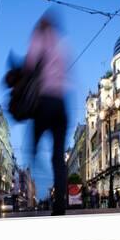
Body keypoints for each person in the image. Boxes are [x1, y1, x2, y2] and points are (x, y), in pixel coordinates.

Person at [25, 11, 69, 216]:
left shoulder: (38, 39)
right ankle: (60, 204)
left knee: (32, 142)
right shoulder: (62, 44)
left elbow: (29, 66)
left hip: (44, 101)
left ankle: (34, 157)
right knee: (58, 158)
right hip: (61, 103)